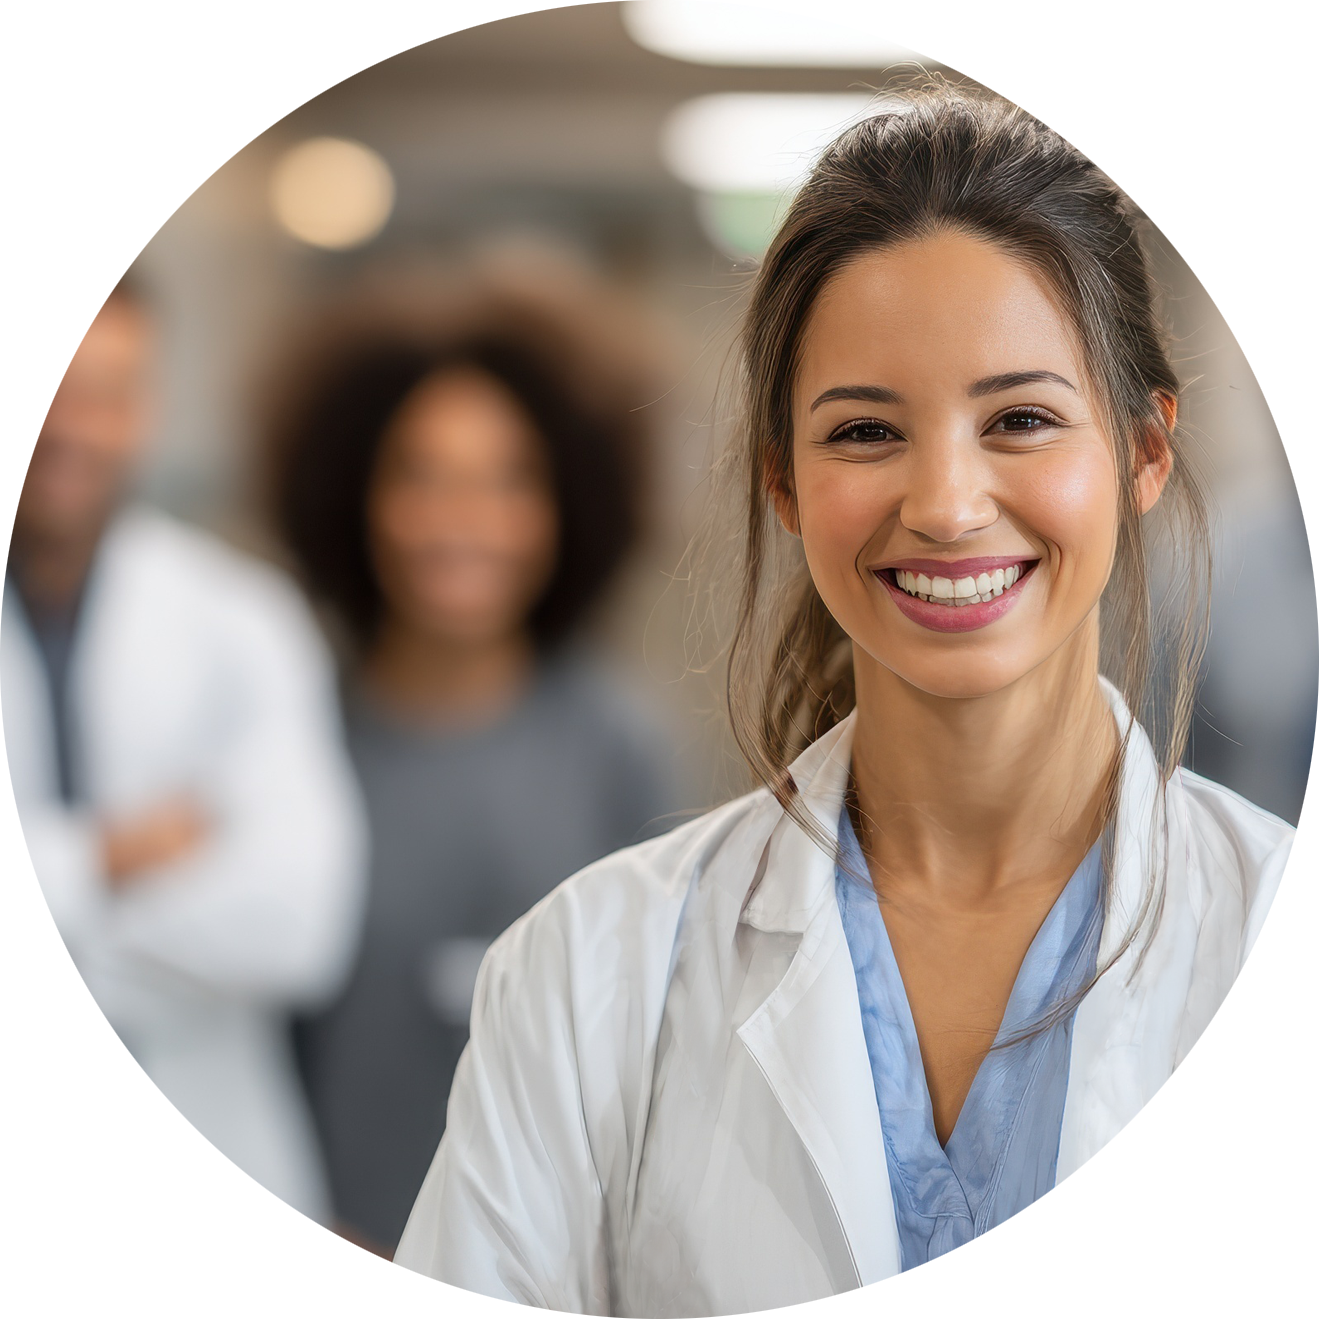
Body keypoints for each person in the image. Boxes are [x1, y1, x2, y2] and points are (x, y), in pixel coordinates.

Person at [393, 82, 1296, 1319]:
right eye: (865, 432)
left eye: (1020, 418)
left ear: (1143, 452)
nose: (943, 499)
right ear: (782, 481)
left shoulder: (1282, 954)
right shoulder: (584, 974)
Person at [266, 257, 684, 1302]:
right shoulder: (291, 735)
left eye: (507, 478)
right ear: (358, 492)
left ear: (564, 503)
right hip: (321, 1272)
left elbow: (666, 1055)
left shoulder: (614, 746)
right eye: (422, 473)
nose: (463, 518)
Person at [0, 284, 368, 1319]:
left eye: (105, 393)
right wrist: (109, 858)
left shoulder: (240, 621)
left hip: (205, 1180)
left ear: (147, 409)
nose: (72, 428)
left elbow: (296, 924)